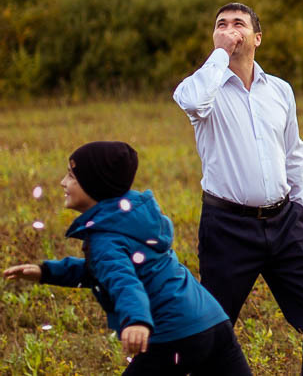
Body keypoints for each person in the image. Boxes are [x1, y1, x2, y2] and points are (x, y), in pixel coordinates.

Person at [173, 2, 303, 375]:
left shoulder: (279, 90)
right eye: (222, 24)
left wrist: (301, 212)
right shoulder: (204, 89)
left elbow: (294, 153)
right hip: (227, 227)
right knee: (212, 328)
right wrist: (219, 54)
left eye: (239, 24)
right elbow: (191, 102)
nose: (231, 29)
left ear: (257, 37)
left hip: (284, 222)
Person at [3, 141, 251, 375]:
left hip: (174, 334)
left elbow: (123, 280)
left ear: (94, 185)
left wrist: (137, 321)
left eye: (71, 176)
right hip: (213, 322)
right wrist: (46, 272)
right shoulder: (130, 220)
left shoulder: (105, 239)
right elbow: (106, 270)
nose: (62, 182)